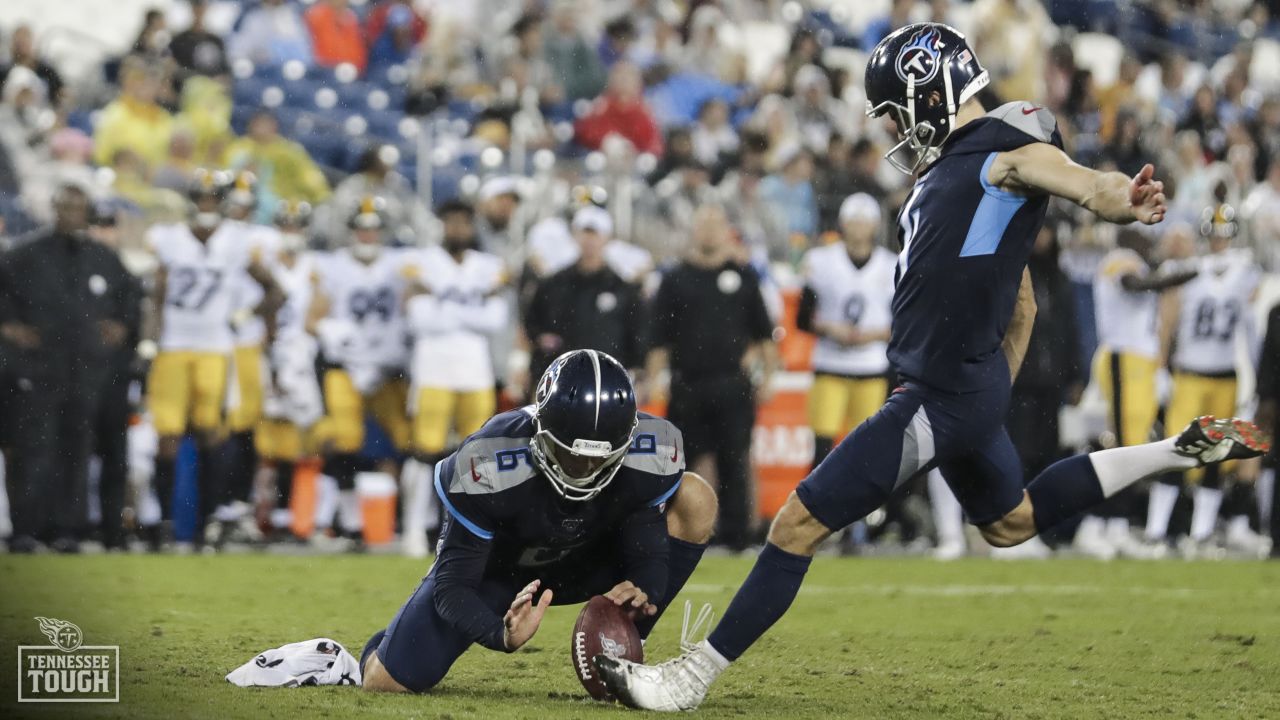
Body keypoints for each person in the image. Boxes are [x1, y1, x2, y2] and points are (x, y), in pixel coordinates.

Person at [595, 23, 1270, 710]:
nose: (892, 124)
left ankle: (688, 679)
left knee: (796, 524)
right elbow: (1024, 302)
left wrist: (1122, 196)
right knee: (1011, 522)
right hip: (964, 388)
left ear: (931, 91)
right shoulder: (950, 170)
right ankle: (1171, 451)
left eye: (894, 108)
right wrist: (991, 386)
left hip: (939, 394)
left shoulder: (1001, 148)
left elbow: (1080, 181)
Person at [359, 349, 718, 693]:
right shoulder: (488, 461)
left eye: (601, 459)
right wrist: (500, 634)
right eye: (573, 457)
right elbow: (453, 587)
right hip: (500, 572)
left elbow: (647, 549)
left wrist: (645, 590)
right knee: (386, 682)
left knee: (697, 497)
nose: (588, 470)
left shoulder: (651, 451)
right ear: (540, 432)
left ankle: (626, 646)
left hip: (587, 561)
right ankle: (370, 652)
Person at [145, 170, 283, 550]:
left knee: (211, 433)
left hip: (215, 348)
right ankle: (165, 525)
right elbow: (156, 294)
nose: (206, 206)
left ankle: (206, 523)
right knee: (167, 436)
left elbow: (275, 290)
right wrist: (150, 339)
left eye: (212, 198)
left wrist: (243, 315)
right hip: (174, 345)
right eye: (200, 198)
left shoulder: (236, 242)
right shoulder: (169, 239)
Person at [0, 185, 139, 553]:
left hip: (86, 372)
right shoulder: (25, 255)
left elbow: (130, 300)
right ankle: (26, 529)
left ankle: (67, 530)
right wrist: (8, 326)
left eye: (78, 208)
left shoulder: (103, 258)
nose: (71, 214)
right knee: (33, 450)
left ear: (87, 212)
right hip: (38, 369)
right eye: (64, 207)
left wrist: (122, 326)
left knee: (76, 451)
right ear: (53, 209)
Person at [645, 204, 779, 550]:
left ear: (726, 231)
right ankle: (686, 534)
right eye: (703, 224)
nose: (709, 232)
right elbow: (658, 338)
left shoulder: (744, 277)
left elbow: (764, 335)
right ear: (694, 230)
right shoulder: (675, 279)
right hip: (688, 383)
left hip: (733, 383)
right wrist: (655, 379)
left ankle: (737, 537)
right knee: (683, 466)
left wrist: (768, 378)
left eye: (716, 225)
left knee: (735, 460)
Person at [1147, 205, 1268, 558]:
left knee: (1216, 455)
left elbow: (1252, 326)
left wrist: (1253, 376)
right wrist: (1161, 368)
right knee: (1176, 451)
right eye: (1214, 235)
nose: (1218, 241)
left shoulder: (1245, 272)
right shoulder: (1188, 271)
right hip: (1189, 373)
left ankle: (1200, 534)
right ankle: (1156, 532)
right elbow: (1167, 320)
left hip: (1225, 375)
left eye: (1223, 235)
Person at [1074, 226, 1196, 560]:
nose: (1148, 241)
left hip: (1140, 364)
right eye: (1141, 236)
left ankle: (1117, 525)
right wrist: (1178, 276)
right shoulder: (1120, 260)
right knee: (1123, 449)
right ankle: (1097, 524)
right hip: (1122, 359)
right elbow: (1135, 285)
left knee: (1134, 448)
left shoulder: (1140, 262)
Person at [399, 200, 508, 558]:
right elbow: (418, 318)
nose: (458, 229)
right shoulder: (423, 261)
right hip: (432, 370)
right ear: (442, 225)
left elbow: (496, 319)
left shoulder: (488, 266)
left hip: (475, 371)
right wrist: (470, 309)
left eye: (464, 222)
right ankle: (414, 529)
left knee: (477, 457)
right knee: (423, 452)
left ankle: (473, 533)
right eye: (452, 222)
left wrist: (442, 305)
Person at [305, 197, 414, 543]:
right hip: (347, 367)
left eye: (374, 229)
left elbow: (420, 293)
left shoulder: (401, 265)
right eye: (362, 229)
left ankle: (404, 521)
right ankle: (348, 521)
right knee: (345, 438)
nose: (368, 235)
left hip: (387, 369)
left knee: (406, 440)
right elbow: (312, 319)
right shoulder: (334, 266)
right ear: (352, 231)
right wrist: (335, 334)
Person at [796, 193, 895, 471]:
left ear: (875, 225)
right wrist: (829, 328)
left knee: (866, 448)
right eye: (854, 221)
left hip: (871, 366)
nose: (859, 228)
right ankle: (819, 509)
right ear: (842, 223)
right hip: (830, 363)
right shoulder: (821, 261)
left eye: (865, 222)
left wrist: (875, 334)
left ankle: (863, 512)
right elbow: (802, 319)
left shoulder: (891, 265)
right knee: (822, 448)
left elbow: (903, 324)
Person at [253, 199, 324, 541]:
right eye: (286, 225)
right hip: (268, 354)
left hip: (303, 357)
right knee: (266, 444)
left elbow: (321, 309)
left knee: (309, 440)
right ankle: (262, 518)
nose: (292, 233)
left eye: (297, 226)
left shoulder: (314, 265)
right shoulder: (263, 264)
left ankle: (303, 521)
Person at [524, 205, 647, 389]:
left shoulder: (623, 289)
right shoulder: (553, 284)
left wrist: (637, 374)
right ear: (574, 235)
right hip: (559, 383)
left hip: (606, 383)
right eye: (585, 232)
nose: (589, 240)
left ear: (607, 238)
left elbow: (636, 336)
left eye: (595, 234)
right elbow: (531, 324)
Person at [169, 0, 229, 80]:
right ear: (192, 9)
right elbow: (171, 66)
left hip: (211, 86)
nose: (199, 11)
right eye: (197, 7)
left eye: (201, 7)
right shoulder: (179, 40)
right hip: (185, 86)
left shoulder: (215, 40)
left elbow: (224, 69)